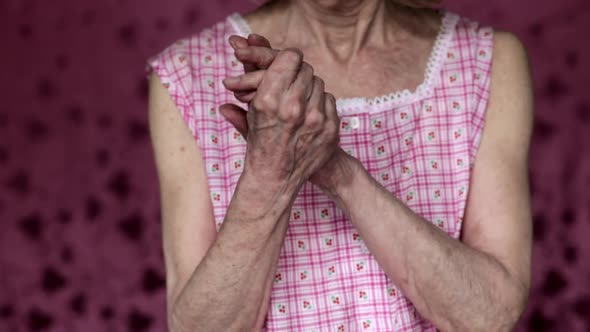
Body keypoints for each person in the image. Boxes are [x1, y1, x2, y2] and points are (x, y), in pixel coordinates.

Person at [145, 0, 534, 330]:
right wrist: (271, 171)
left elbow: (490, 316)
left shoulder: (486, 58)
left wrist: (337, 170)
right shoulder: (187, 74)